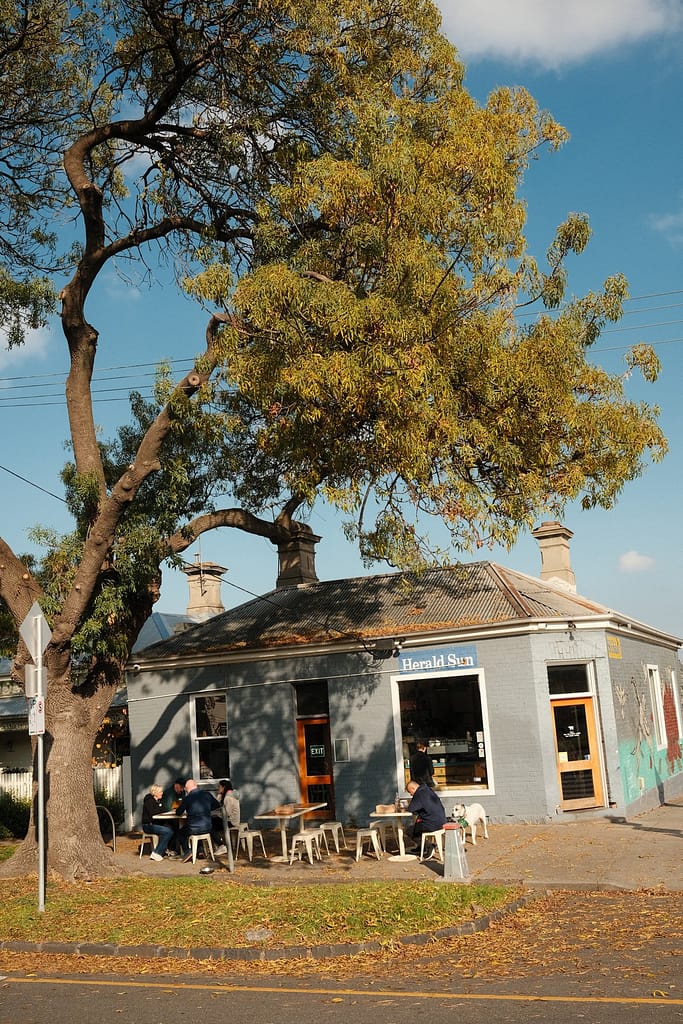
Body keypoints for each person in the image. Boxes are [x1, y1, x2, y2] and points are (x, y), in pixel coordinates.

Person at [176, 778, 221, 860]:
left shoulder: (187, 798)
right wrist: (206, 809)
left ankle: (187, 852)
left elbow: (178, 812)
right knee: (198, 829)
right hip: (208, 827)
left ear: (186, 789)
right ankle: (200, 851)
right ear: (196, 786)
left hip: (193, 828)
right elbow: (217, 805)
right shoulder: (207, 794)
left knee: (180, 833)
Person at [406, 778, 446, 849]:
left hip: (432, 824)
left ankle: (429, 848)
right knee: (417, 826)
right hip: (442, 821)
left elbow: (411, 809)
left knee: (410, 830)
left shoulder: (419, 793)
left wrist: (409, 803)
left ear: (413, 788)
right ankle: (420, 848)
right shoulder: (428, 790)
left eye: (410, 792)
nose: (411, 794)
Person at [141, 784, 176, 861]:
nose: (162, 793)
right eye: (160, 792)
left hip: (155, 823)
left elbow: (162, 810)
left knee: (173, 827)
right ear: (155, 793)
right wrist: (162, 809)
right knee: (167, 831)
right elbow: (153, 813)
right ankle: (157, 853)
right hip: (148, 825)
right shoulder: (149, 801)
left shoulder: (158, 801)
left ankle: (168, 849)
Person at [212, 778, 240, 854]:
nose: (218, 788)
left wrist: (216, 815)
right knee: (212, 823)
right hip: (229, 819)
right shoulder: (228, 794)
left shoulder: (228, 797)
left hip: (231, 821)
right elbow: (217, 805)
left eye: (219, 787)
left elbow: (227, 813)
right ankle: (220, 843)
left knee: (210, 826)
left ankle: (221, 846)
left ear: (224, 787)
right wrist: (220, 794)